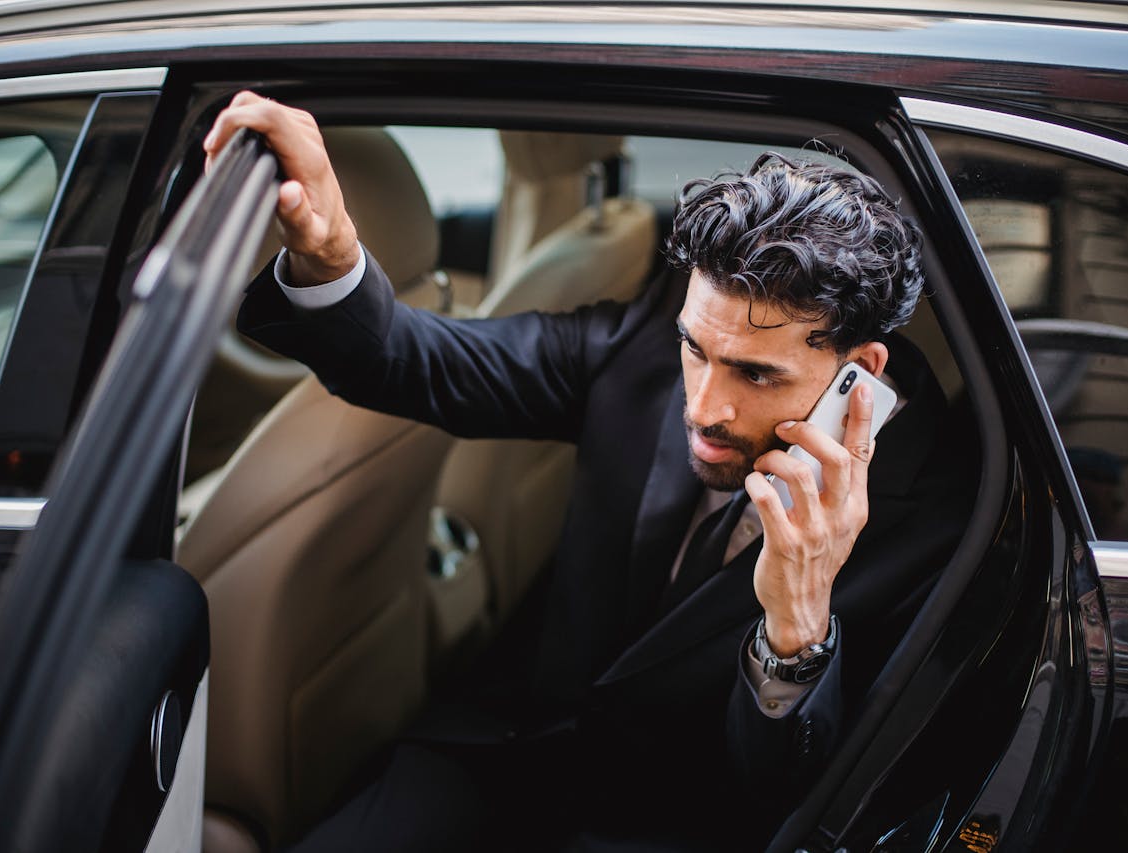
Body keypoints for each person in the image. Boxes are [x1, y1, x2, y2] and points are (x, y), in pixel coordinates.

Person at [205, 92, 976, 851]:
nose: (702, 406)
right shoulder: (643, 344)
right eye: (695, 349)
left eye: (756, 374)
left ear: (862, 370)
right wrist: (334, 253)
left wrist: (797, 629)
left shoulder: (943, 523)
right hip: (508, 754)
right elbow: (423, 362)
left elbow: (801, 796)